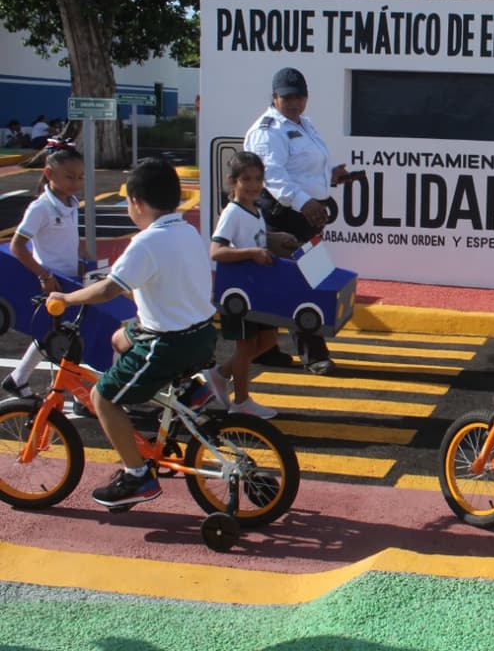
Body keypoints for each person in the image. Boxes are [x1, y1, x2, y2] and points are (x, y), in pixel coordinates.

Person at [47, 157, 217, 508]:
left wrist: (66, 298)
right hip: (200, 335)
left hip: (168, 344)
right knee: (120, 338)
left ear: (137, 203)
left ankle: (137, 475)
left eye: (127, 202)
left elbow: (108, 290)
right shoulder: (186, 231)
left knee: (102, 398)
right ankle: (188, 389)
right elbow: (160, 282)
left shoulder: (145, 242)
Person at [244, 67, 353, 374]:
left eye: (299, 96)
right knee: (303, 285)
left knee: (276, 283)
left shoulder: (303, 124)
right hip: (283, 217)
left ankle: (262, 351)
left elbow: (304, 168)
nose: (294, 103)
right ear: (274, 97)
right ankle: (314, 356)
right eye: (287, 97)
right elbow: (273, 178)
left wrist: (331, 175)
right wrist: (306, 203)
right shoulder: (268, 130)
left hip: (304, 216)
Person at [205, 151, 299, 419]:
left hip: (257, 289)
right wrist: (252, 254)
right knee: (245, 347)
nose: (253, 185)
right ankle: (241, 402)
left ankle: (220, 374)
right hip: (239, 288)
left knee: (268, 339)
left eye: (258, 179)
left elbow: (254, 236)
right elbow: (216, 251)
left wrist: (275, 237)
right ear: (232, 181)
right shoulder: (232, 212)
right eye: (246, 179)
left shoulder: (255, 210)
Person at [1, 146, 86, 398]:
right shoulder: (41, 208)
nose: (76, 182)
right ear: (49, 173)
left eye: (80, 177)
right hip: (53, 283)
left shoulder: (69, 203)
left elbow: (68, 240)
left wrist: (81, 260)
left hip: (70, 279)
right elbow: (17, 245)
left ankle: (18, 379)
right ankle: (82, 395)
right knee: (65, 335)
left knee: (58, 334)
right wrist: (44, 275)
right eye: (70, 176)